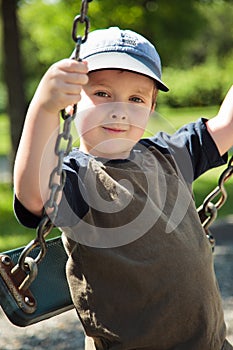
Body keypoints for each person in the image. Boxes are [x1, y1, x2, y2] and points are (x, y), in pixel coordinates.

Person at [13, 26, 233, 350]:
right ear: (72, 103)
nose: (119, 109)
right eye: (102, 93)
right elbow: (32, 194)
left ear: (152, 107)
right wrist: (44, 108)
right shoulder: (78, 178)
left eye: (136, 98)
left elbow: (226, 125)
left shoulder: (168, 155)